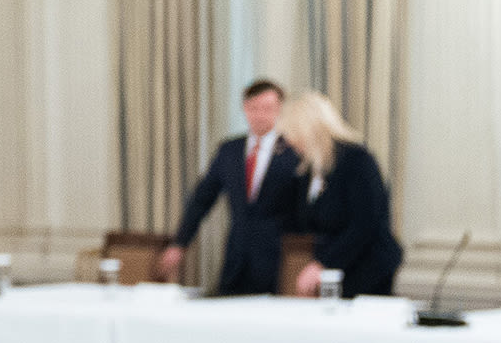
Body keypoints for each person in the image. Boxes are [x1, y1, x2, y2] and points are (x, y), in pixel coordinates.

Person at [158, 79, 303, 295]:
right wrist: (180, 242)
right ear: (244, 108)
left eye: (267, 109)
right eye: (254, 108)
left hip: (279, 261)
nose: (260, 115)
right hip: (236, 258)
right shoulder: (230, 151)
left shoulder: (295, 152)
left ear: (279, 109)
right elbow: (202, 198)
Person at [279, 91, 404, 297]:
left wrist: (322, 264)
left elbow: (364, 225)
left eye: (293, 134)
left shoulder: (357, 160)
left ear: (309, 130)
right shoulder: (310, 170)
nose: (291, 142)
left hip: (367, 271)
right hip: (334, 275)